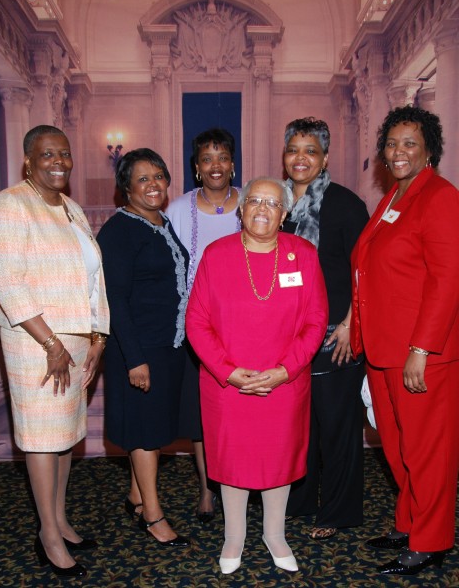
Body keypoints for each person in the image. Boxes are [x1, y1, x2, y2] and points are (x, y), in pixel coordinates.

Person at [186, 177, 328, 574]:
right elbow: (196, 322)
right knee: (233, 458)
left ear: (284, 214)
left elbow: (316, 321)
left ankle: (274, 533)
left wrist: (285, 371)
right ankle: (235, 536)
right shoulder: (217, 255)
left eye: (272, 203)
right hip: (228, 383)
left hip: (284, 380)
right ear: (241, 209)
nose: (263, 209)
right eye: (255, 201)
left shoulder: (303, 254)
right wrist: (229, 373)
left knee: (278, 457)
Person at [0, 125, 110, 578]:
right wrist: (51, 343)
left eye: (64, 153)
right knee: (44, 440)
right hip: (36, 343)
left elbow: (93, 277)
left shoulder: (72, 208)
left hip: (76, 341)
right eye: (47, 154)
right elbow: (7, 282)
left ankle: (60, 519)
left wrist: (98, 337)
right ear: (29, 160)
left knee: (65, 438)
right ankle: (47, 533)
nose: (58, 161)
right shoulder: (9, 205)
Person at [351, 105, 459, 575]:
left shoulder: (440, 197)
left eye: (409, 143)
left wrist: (422, 348)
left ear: (429, 149)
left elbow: (448, 278)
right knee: (395, 446)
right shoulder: (394, 197)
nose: (398, 152)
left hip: (421, 354)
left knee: (426, 450)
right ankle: (410, 522)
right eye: (392, 143)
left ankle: (432, 540)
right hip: (383, 349)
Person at [97, 148, 190, 548]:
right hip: (137, 349)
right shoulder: (119, 231)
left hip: (166, 345)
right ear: (126, 188)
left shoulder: (160, 222)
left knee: (150, 427)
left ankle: (136, 495)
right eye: (142, 179)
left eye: (159, 176)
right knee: (146, 433)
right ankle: (153, 516)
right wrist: (135, 359)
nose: (153, 185)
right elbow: (114, 299)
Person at [282, 117, 369, 539]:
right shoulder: (275, 206)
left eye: (311, 151)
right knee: (300, 428)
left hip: (337, 336)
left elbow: (365, 272)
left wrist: (353, 324)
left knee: (337, 428)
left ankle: (337, 512)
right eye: (294, 150)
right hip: (290, 339)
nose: (301, 159)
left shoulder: (346, 204)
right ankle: (299, 502)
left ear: (325, 157)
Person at [166, 128, 240, 522]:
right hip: (197, 327)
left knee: (241, 407)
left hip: (246, 325)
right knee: (202, 412)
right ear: (197, 168)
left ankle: (243, 481)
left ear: (232, 163)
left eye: (223, 157)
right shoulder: (178, 209)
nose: (216, 165)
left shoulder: (251, 202)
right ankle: (207, 488)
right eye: (207, 158)